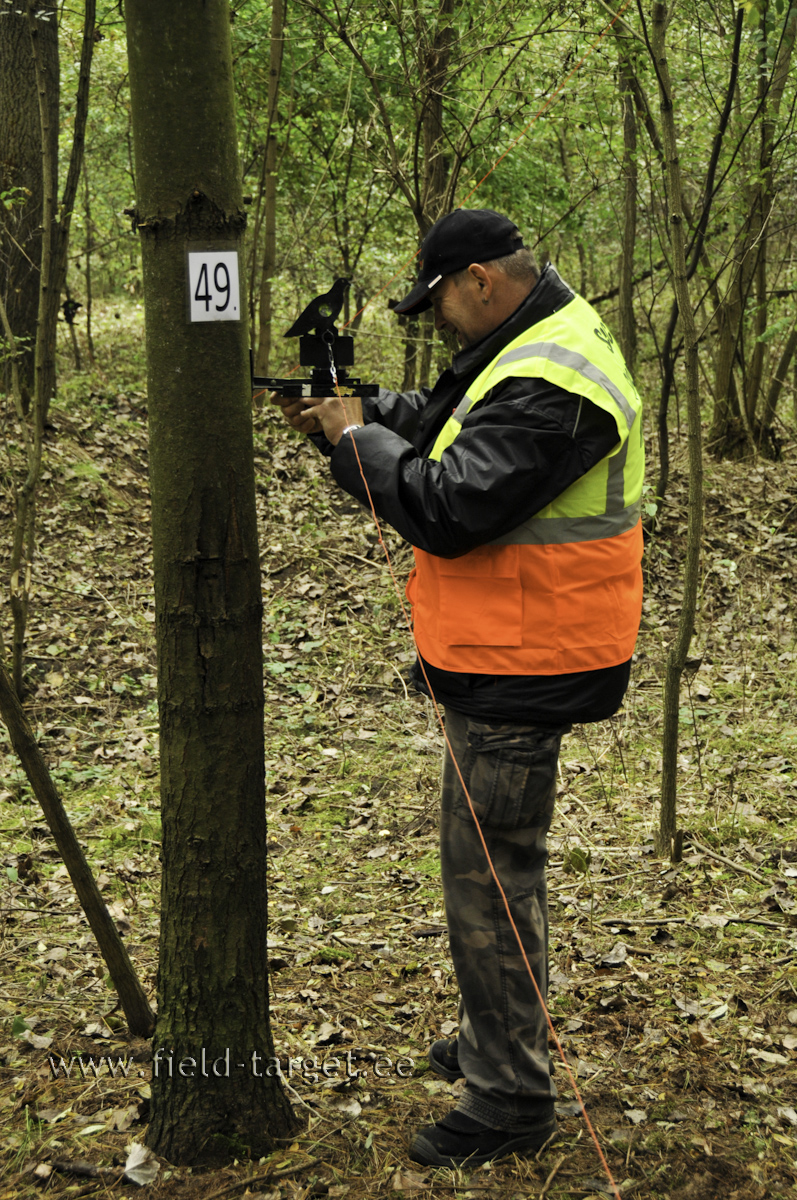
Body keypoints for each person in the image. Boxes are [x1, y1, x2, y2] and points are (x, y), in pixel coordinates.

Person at [271, 209, 644, 1168]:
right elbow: (452, 432)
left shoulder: (554, 379)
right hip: (508, 650)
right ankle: (496, 1044)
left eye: (436, 301)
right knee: (496, 873)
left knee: (489, 885)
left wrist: (357, 444)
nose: (433, 319)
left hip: (527, 660)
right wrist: (355, 413)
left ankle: (511, 1094)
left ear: (478, 279)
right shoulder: (533, 343)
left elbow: (451, 504)